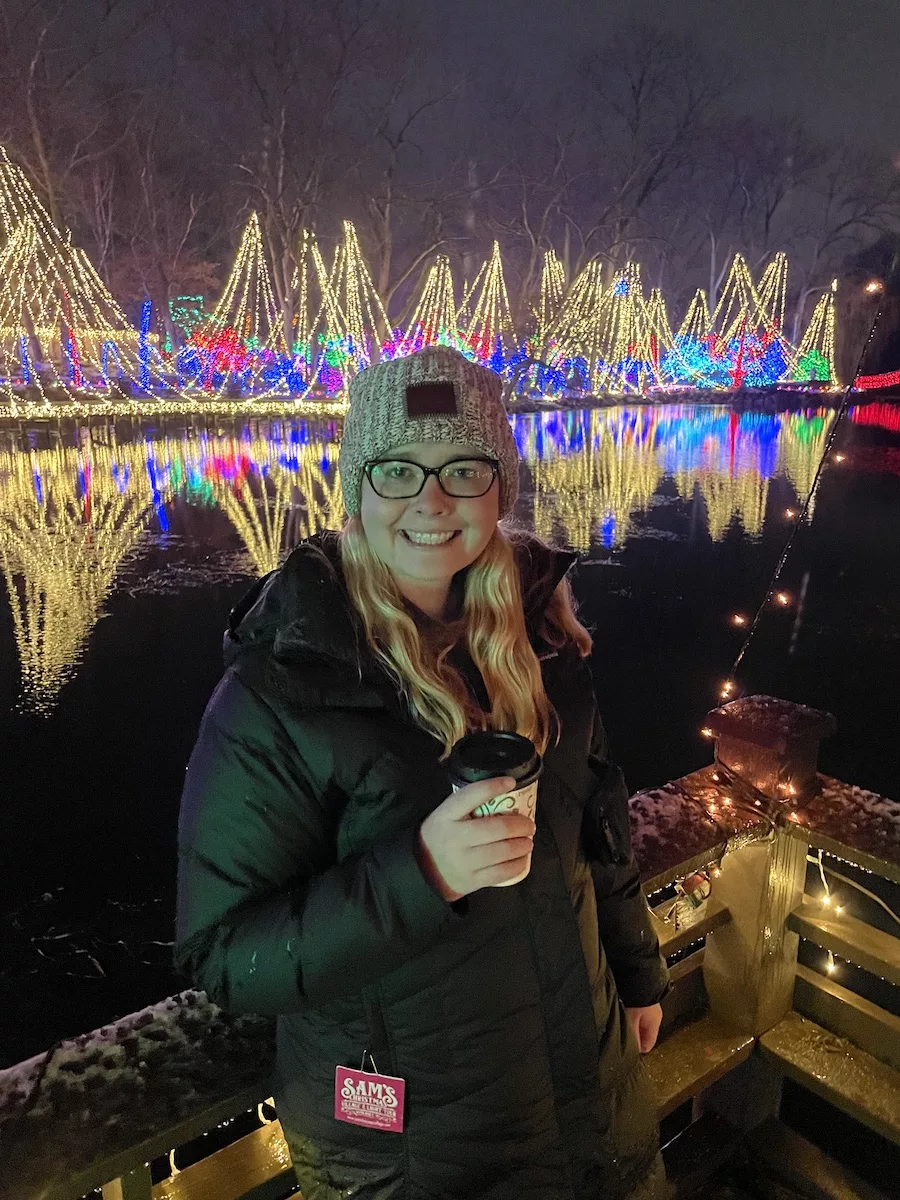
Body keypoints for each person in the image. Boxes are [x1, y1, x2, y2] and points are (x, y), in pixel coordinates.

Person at [175, 345, 669, 1200]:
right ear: (358, 489)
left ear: (499, 488)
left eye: (463, 470)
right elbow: (225, 954)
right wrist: (424, 873)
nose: (430, 502)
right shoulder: (285, 685)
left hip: (588, 1083)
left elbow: (601, 822)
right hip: (417, 1151)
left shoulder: (544, 639)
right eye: (397, 470)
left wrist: (636, 973)